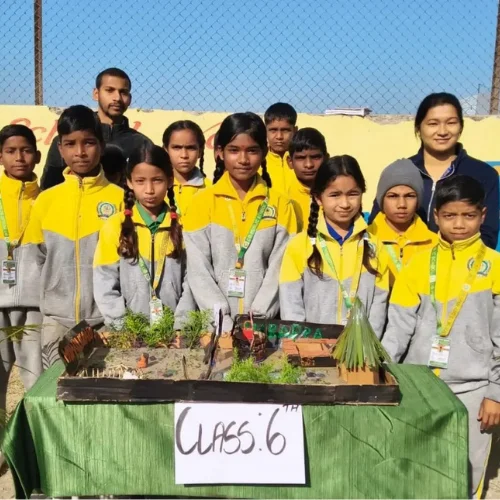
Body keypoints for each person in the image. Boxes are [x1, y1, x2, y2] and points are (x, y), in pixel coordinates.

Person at [382, 175, 500, 498]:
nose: (459, 224)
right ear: (436, 216)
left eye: (468, 215)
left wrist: (495, 393)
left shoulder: (495, 266)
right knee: (418, 466)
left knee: (466, 470)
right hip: (420, 385)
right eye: (449, 215)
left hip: (474, 389)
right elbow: (398, 330)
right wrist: (381, 374)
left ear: (483, 215)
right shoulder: (417, 265)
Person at [22, 105, 124, 368]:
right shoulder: (46, 201)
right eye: (70, 144)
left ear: (101, 145)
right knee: (56, 387)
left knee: (104, 387)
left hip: (106, 321)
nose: (80, 152)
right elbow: (35, 260)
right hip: (56, 322)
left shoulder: (120, 199)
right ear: (60, 148)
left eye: (88, 142)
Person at [183, 112, 297, 333]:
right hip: (216, 328)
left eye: (252, 150)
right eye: (234, 150)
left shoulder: (281, 205)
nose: (243, 160)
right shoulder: (201, 203)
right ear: (220, 153)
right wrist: (221, 321)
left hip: (262, 329)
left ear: (264, 152)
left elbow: (280, 267)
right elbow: (198, 270)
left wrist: (258, 318)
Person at [369, 92, 499, 249]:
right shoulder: (401, 172)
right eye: (433, 123)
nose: (442, 131)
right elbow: (375, 225)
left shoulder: (483, 174)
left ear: (461, 127)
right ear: (418, 127)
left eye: (451, 123)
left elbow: (487, 236)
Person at [279, 156, 389, 337]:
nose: (345, 204)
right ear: (318, 198)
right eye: (335, 195)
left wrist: (365, 347)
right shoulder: (299, 246)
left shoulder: (376, 247)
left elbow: (378, 309)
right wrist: (304, 346)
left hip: (360, 350)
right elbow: (291, 307)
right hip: (311, 349)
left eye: (353, 194)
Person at [94, 144, 193, 329]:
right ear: (129, 182)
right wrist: (123, 327)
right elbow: (104, 282)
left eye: (157, 180)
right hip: (128, 333)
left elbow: (191, 281)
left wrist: (181, 325)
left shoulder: (183, 225)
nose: (149, 190)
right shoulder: (115, 225)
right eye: (140, 181)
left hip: (175, 333)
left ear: (170, 181)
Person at [40, 68, 151, 190]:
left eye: (123, 92)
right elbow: (48, 189)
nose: (117, 98)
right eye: (109, 90)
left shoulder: (141, 144)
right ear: (96, 94)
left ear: (129, 98)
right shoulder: (66, 141)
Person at [0, 125, 42, 421]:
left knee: (37, 380)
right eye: (11, 151)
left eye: (26, 151)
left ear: (37, 156)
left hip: (35, 305)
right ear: (0, 156)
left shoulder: (47, 199)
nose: (19, 158)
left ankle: (35, 442)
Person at [368, 159, 437, 284]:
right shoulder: (366, 241)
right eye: (393, 196)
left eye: (410, 196)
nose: (402, 204)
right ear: (381, 200)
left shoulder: (435, 243)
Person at [162, 120, 211, 217]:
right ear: (166, 150)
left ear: (200, 152)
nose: (184, 155)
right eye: (177, 147)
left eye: (190, 148)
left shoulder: (210, 189)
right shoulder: (155, 186)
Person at [285, 127, 328, 232]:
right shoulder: (284, 199)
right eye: (301, 158)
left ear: (326, 158)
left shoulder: (336, 197)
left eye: (315, 157)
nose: (309, 165)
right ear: (290, 162)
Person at [263, 102, 298, 194]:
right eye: (273, 130)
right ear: (265, 131)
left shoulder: (303, 161)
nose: (279, 136)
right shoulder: (258, 162)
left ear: (295, 131)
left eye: (285, 130)